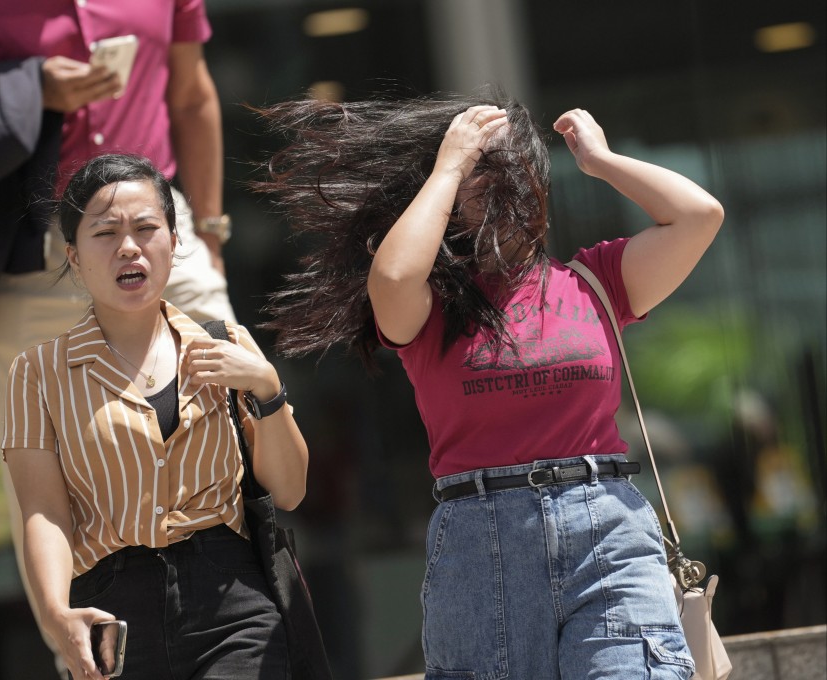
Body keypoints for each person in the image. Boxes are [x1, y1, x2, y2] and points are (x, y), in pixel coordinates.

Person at [253, 84, 724, 678]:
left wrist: (600, 163)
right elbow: (393, 274)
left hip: (609, 528)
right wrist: (450, 163)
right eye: (483, 177)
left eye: (516, 174)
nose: (499, 191)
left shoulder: (597, 280)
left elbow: (699, 215)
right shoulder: (432, 307)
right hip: (484, 540)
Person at [0, 0, 237, 660]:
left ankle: (249, 635)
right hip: (31, 254)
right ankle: (90, 663)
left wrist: (211, 231)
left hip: (162, 235)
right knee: (45, 482)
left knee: (236, 414)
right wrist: (29, 91)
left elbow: (191, 96)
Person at [3, 153, 308, 679]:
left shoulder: (227, 345)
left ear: (173, 241)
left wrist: (267, 386)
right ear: (73, 257)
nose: (129, 246)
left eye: (147, 228)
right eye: (105, 233)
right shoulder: (37, 374)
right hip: (113, 610)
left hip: (233, 600)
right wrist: (56, 614)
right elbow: (45, 513)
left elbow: (290, 490)